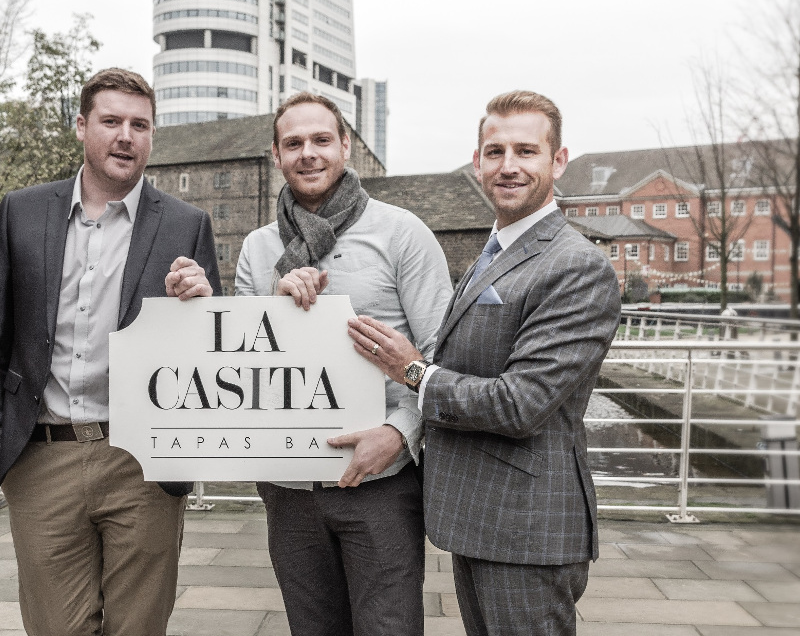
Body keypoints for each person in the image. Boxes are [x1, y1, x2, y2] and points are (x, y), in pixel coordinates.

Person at [346, 91, 621, 635]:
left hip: (527, 529)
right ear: (477, 163)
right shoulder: (496, 250)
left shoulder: (576, 266)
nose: (508, 165)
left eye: (526, 151)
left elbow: (521, 404)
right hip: (480, 519)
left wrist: (413, 371)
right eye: (495, 152)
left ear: (558, 161)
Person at [0, 68, 221, 636]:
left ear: (152, 135)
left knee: (139, 627)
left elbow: (212, 361)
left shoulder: (187, 225)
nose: (126, 136)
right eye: (111, 121)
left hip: (143, 464)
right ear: (82, 126)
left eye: (140, 125)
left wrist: (201, 306)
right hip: (40, 459)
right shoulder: (21, 212)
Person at [234, 92, 452, 636]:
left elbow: (443, 355)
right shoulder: (258, 249)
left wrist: (400, 434)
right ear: (276, 155)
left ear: (345, 146)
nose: (308, 153)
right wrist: (272, 305)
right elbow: (239, 363)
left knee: (388, 628)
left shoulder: (402, 232)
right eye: (293, 143)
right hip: (289, 488)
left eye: (321, 139)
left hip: (379, 482)